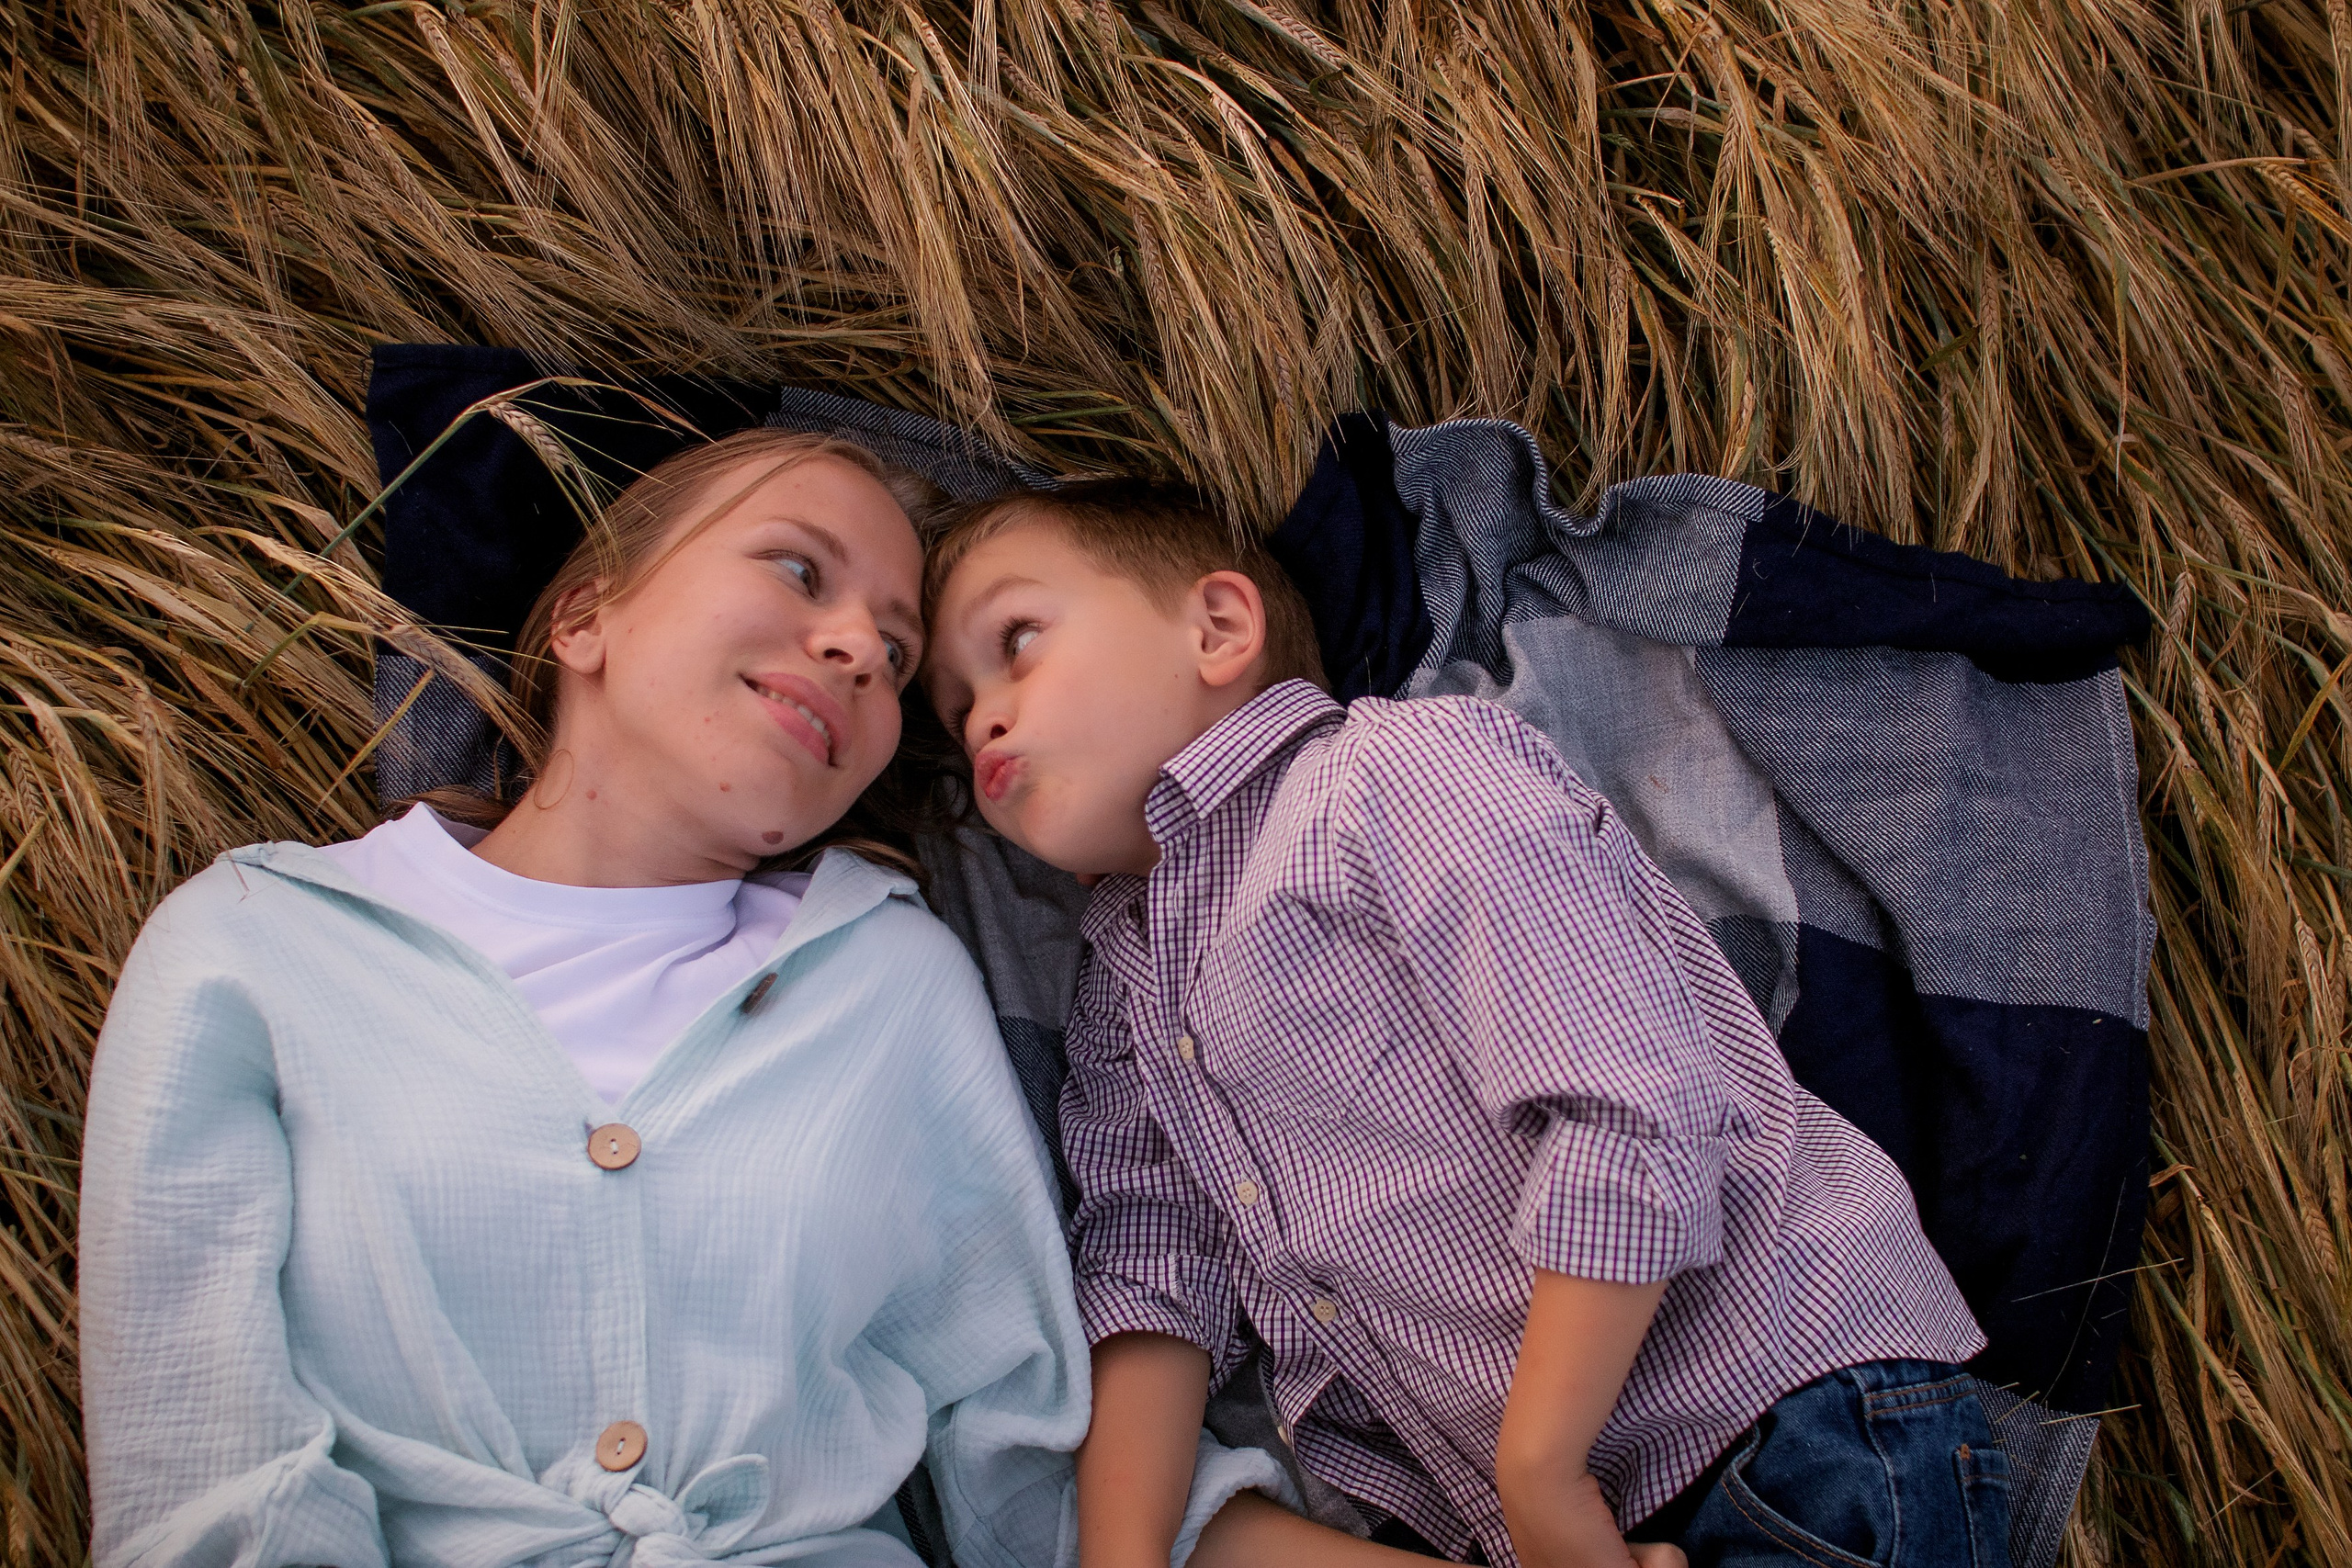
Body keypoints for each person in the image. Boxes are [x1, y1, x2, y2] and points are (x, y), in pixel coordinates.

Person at [77, 432, 1287, 1568]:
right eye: (799, 570)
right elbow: (208, 1478)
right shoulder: (258, 946)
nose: (859, 649)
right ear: (587, 616)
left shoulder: (891, 982)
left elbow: (1032, 1466)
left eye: (896, 656)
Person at [921, 479, 2007, 1568]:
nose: (982, 720)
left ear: (1217, 628)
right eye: (955, 707)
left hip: (1779, 1416)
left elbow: (1625, 1095)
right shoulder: (1122, 1000)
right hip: (1562, 1520)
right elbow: (1152, 1272)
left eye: (1015, 643)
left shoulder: (1388, 775)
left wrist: (1540, 1469)